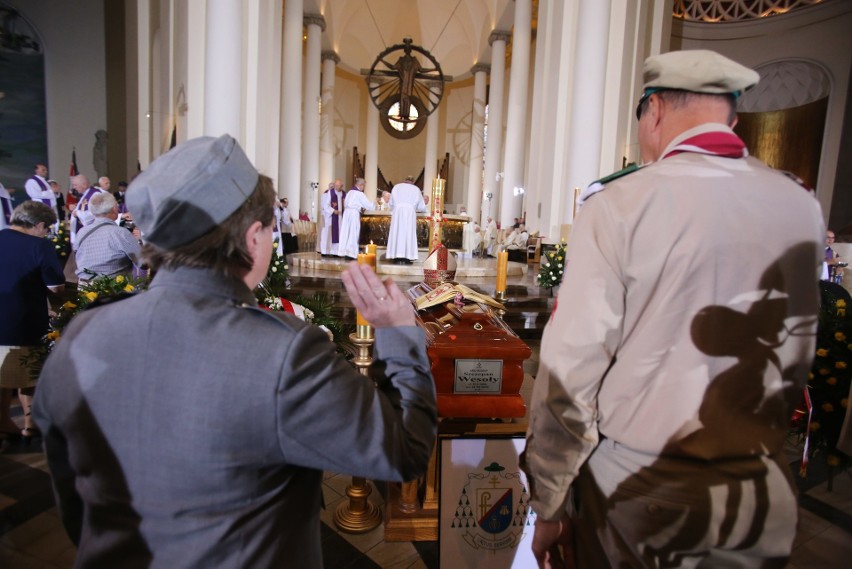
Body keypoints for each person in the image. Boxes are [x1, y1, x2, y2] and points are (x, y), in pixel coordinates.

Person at [34, 135, 437, 567]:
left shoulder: (81, 337)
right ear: (253, 238)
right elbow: (405, 453)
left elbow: (75, 505)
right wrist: (398, 334)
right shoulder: (286, 352)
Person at [521, 49, 825, 568]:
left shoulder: (621, 204)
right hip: (759, 492)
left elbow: (569, 374)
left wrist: (548, 503)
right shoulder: (800, 204)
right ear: (730, 118)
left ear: (655, 110)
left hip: (644, 496)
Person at [0, 201, 65, 442]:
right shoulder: (39, 245)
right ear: (38, 225)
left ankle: (5, 422)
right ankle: (31, 424)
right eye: (47, 228)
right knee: (29, 373)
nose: (47, 232)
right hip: (23, 319)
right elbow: (56, 287)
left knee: (2, 376)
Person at [74, 192, 142, 281]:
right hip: (112, 289)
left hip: (84, 287)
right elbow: (142, 261)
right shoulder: (120, 233)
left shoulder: (82, 232)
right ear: (114, 209)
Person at [386, 175, 426, 264]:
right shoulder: (416, 189)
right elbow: (422, 207)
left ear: (405, 180)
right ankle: (407, 257)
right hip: (410, 213)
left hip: (398, 212)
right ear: (413, 181)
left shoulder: (396, 187)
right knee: (408, 233)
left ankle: (396, 256)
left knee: (397, 232)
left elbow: (391, 204)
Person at [339, 177, 374, 260]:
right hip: (353, 213)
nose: (363, 188)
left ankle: (345, 252)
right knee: (353, 232)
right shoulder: (359, 194)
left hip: (346, 213)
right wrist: (375, 202)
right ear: (361, 185)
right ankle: (351, 254)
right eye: (364, 186)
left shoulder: (349, 192)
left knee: (346, 232)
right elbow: (369, 206)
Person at [319, 181, 344, 256]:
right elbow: (324, 205)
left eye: (337, 186)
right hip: (328, 217)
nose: (335, 187)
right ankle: (324, 251)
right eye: (334, 186)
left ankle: (335, 252)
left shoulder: (343, 193)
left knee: (337, 234)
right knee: (326, 234)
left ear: (341, 186)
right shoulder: (327, 193)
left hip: (339, 218)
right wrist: (333, 211)